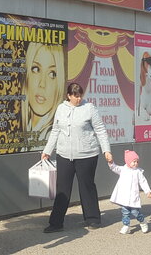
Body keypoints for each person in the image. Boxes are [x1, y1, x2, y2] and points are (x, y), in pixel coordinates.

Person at [41, 82, 114, 232]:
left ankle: (93, 219)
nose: (79, 98)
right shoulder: (61, 109)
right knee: (62, 189)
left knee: (87, 186)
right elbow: (55, 130)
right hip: (64, 155)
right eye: (75, 96)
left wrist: (106, 150)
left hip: (87, 155)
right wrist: (47, 150)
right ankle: (56, 223)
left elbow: (100, 129)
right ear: (68, 96)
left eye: (80, 95)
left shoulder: (89, 108)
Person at [20, 42, 65, 147]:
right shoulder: (25, 130)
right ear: (26, 76)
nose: (42, 84)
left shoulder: (53, 136)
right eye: (36, 69)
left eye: (52, 74)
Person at [108, 149, 151, 235]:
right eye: (134, 161)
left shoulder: (138, 172)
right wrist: (111, 162)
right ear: (128, 161)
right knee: (125, 213)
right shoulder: (123, 169)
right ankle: (126, 226)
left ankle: (143, 222)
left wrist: (147, 191)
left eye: (137, 161)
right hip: (124, 198)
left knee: (135, 212)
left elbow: (143, 182)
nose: (136, 163)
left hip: (133, 197)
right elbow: (114, 167)